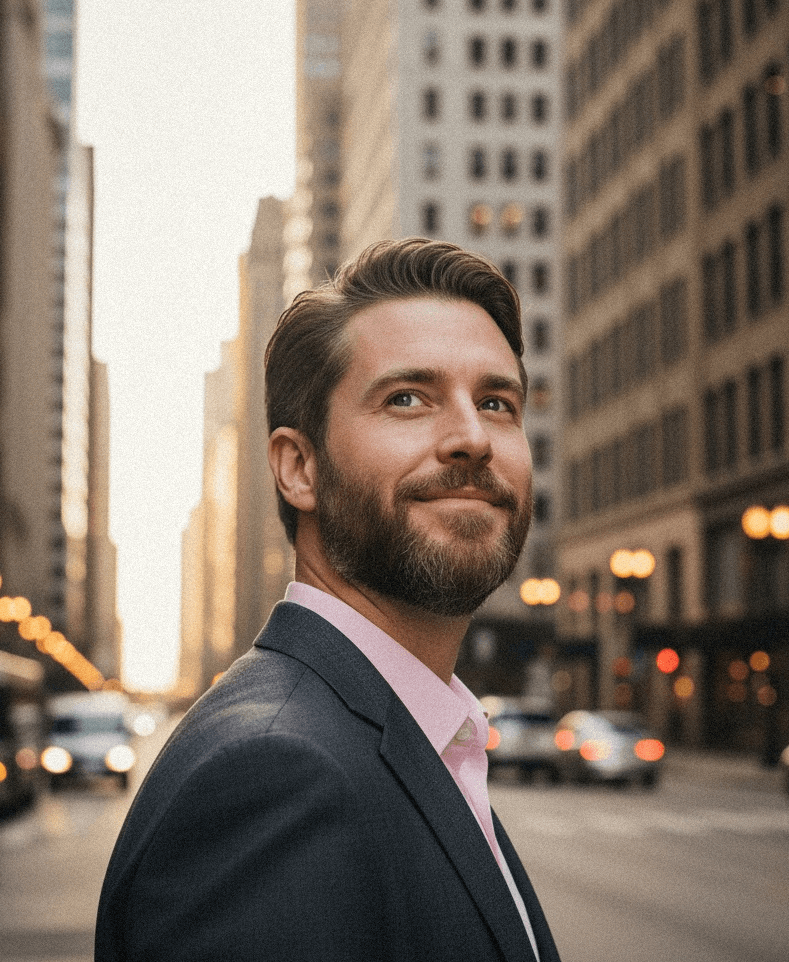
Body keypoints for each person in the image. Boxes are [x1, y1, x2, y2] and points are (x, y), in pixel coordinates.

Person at [95, 237, 561, 962]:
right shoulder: (275, 774)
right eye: (408, 398)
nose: (473, 438)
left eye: (497, 403)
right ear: (299, 468)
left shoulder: (415, 735)